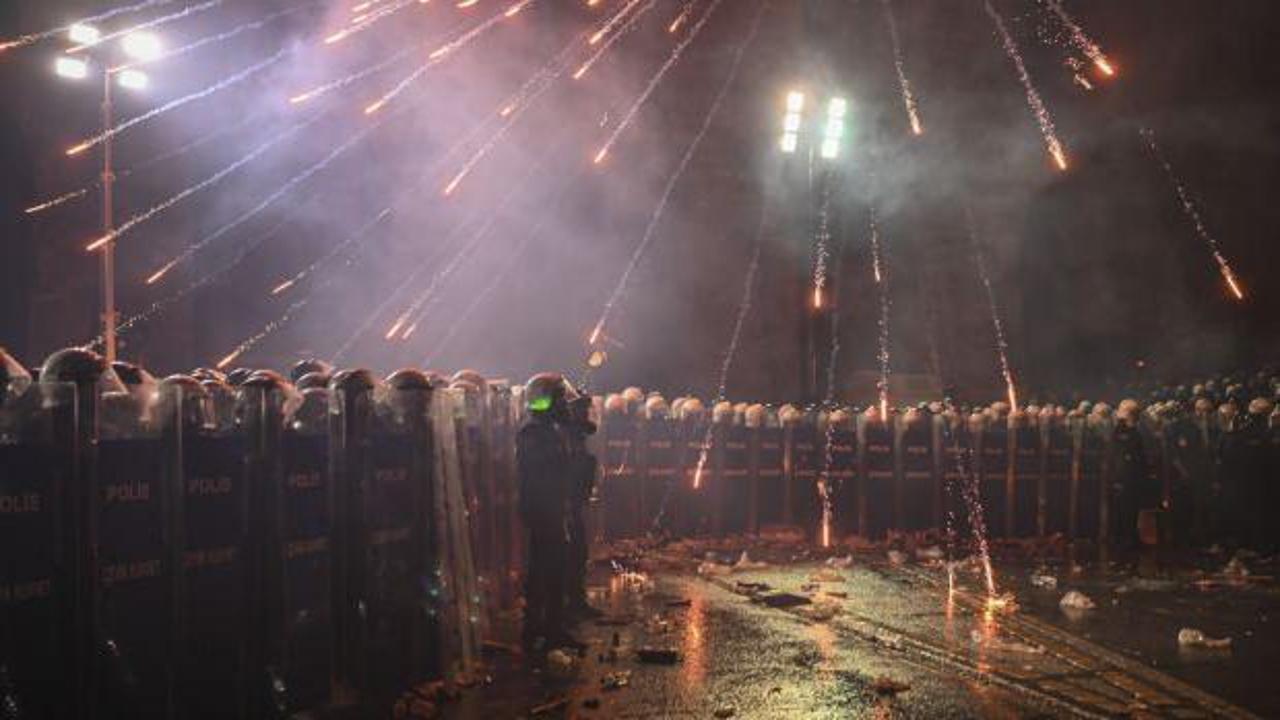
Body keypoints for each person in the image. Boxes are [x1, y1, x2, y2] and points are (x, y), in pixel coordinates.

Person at [517, 373, 576, 649]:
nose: (565, 404)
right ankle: (535, 629)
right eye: (560, 397)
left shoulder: (550, 430)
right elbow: (539, 475)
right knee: (542, 571)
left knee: (556, 570)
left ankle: (552, 627)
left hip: (552, 509)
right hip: (542, 512)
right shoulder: (531, 432)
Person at [563, 389, 602, 619]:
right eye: (580, 409)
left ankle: (576, 602)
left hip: (574, 503)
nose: (584, 413)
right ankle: (568, 606)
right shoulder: (565, 435)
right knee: (569, 555)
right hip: (564, 506)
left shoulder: (576, 435)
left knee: (579, 553)